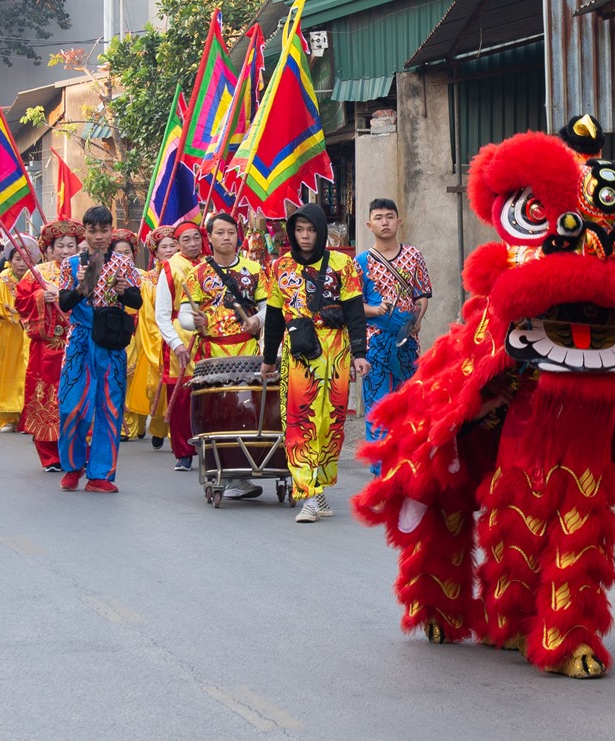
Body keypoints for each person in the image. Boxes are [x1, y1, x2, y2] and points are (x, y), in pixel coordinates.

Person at [261, 203, 366, 524]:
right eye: (299, 230)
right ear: (292, 233)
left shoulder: (343, 264)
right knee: (300, 421)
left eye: (311, 230)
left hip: (336, 353)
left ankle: (318, 489)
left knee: (330, 423)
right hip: (299, 355)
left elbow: (355, 312)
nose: (305, 236)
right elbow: (275, 317)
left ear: (320, 231)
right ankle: (306, 493)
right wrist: (268, 359)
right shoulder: (279, 267)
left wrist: (360, 353)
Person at [55, 207, 143, 492]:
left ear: (110, 231)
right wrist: (81, 287)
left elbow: (136, 301)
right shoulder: (70, 264)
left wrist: (122, 291)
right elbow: (64, 303)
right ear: (85, 232)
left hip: (110, 343)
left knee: (109, 407)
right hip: (80, 341)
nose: (99, 236)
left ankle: (100, 474)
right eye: (93, 230)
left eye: (104, 230)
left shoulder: (124, 264)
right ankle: (72, 466)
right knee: (71, 405)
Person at [179, 211, 260, 494]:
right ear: (210, 237)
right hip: (213, 352)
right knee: (218, 411)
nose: (227, 237)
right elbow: (185, 315)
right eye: (220, 233)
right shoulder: (197, 273)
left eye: (231, 232)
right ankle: (224, 472)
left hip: (248, 351)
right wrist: (194, 321)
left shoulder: (254, 270)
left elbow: (264, 307)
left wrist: (257, 321)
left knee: (247, 410)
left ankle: (244, 470)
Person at [356, 198, 431, 460]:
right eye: (378, 217)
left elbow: (422, 295)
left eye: (390, 216)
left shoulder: (414, 256)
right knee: (377, 407)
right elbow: (353, 306)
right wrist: (375, 311)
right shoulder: (361, 262)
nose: (385, 222)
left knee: (409, 405)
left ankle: (408, 465)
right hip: (374, 344)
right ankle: (381, 472)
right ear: (369, 224)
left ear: (399, 221)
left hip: (407, 343)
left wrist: (417, 318)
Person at [16, 221, 83, 471]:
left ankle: (76, 452)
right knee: (46, 397)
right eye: (61, 246)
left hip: (77, 342)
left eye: (71, 245)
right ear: (50, 249)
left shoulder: (85, 270)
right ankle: (50, 456)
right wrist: (40, 298)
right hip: (48, 348)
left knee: (76, 397)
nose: (66, 251)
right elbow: (20, 303)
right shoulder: (38, 274)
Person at [156, 220, 205, 466]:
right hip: (181, 336)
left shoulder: (210, 264)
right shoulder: (169, 268)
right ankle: (184, 451)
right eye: (186, 239)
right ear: (177, 244)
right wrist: (175, 343)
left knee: (208, 394)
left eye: (196, 238)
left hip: (208, 335)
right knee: (181, 396)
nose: (193, 244)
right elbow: (162, 314)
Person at [112, 230, 164, 442]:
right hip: (116, 329)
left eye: (127, 252)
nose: (124, 256)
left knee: (138, 379)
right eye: (119, 253)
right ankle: (126, 426)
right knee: (121, 377)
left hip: (140, 330)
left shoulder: (143, 276)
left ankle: (139, 422)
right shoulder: (107, 274)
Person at [0, 244, 31, 432]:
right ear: (9, 262)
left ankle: (28, 417)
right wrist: (2, 311)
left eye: (25, 259)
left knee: (28, 371)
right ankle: (8, 417)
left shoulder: (36, 280)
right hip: (7, 332)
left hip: (28, 331)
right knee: (7, 373)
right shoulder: (0, 282)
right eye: (17, 259)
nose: (21, 263)